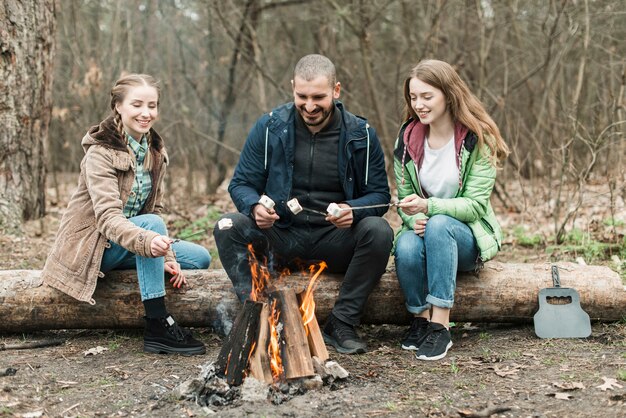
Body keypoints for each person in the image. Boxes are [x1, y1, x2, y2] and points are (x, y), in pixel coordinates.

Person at [214, 54, 394, 354]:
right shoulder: (270, 127)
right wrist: (255, 207)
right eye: (302, 96)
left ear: (336, 91)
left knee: (379, 231)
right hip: (281, 237)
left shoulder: (361, 134)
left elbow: (379, 196)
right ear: (292, 89)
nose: (310, 106)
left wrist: (353, 209)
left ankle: (342, 322)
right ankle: (258, 314)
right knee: (227, 225)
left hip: (334, 240)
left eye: (319, 97)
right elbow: (241, 184)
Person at [42, 74, 211, 355]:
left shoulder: (155, 152)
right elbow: (108, 219)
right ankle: (157, 323)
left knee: (199, 258)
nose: (146, 113)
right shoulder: (100, 153)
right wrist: (148, 242)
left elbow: (152, 209)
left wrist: (166, 257)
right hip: (93, 248)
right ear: (118, 106)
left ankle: (150, 267)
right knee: (152, 225)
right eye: (137, 105)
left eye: (152, 105)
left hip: (129, 240)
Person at [393, 59, 509, 361]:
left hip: (465, 238)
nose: (419, 104)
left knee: (440, 223)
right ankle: (419, 319)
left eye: (427, 96)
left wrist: (429, 208)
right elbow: (405, 197)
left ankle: (440, 325)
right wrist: (414, 217)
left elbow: (474, 206)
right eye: (413, 97)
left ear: (448, 94)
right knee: (404, 243)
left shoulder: (478, 138)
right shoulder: (407, 139)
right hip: (426, 232)